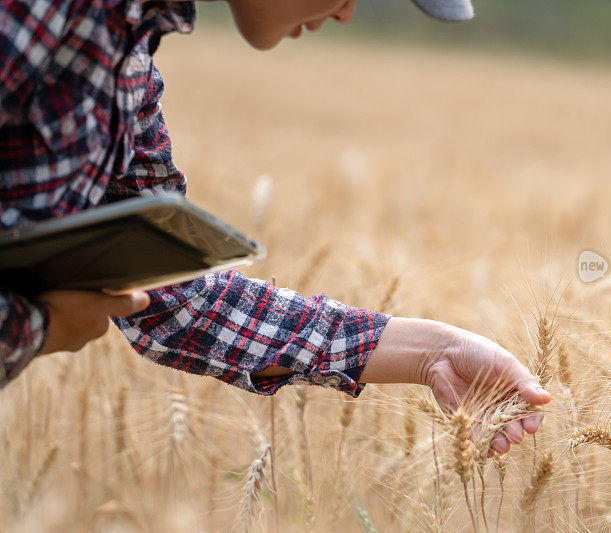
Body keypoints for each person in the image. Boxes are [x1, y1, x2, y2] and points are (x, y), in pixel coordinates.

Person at [0, 0, 550, 454]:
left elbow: (172, 298)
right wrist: (34, 325)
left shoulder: (129, 54)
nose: (348, 13)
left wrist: (434, 352)